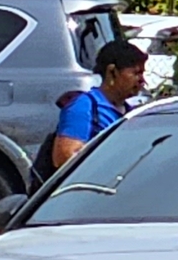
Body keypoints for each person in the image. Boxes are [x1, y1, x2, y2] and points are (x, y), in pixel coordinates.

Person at [38, 39, 148, 181]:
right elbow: (65, 157)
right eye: (136, 73)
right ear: (112, 72)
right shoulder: (83, 107)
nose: (142, 81)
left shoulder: (131, 112)